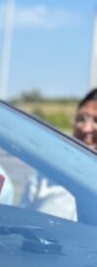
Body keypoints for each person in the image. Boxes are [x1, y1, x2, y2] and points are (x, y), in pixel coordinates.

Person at [20, 89, 97, 219]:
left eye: (96, 121)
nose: (85, 128)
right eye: (81, 119)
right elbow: (20, 220)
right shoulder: (47, 176)